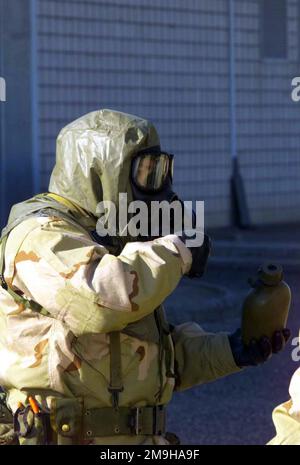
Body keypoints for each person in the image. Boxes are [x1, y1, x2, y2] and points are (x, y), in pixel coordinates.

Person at [0, 109, 290, 445]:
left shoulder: (112, 242)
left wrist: (234, 350)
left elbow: (149, 358)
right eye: (145, 173)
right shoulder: (40, 235)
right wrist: (179, 250)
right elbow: (102, 301)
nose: (157, 188)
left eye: (160, 171)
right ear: (101, 172)